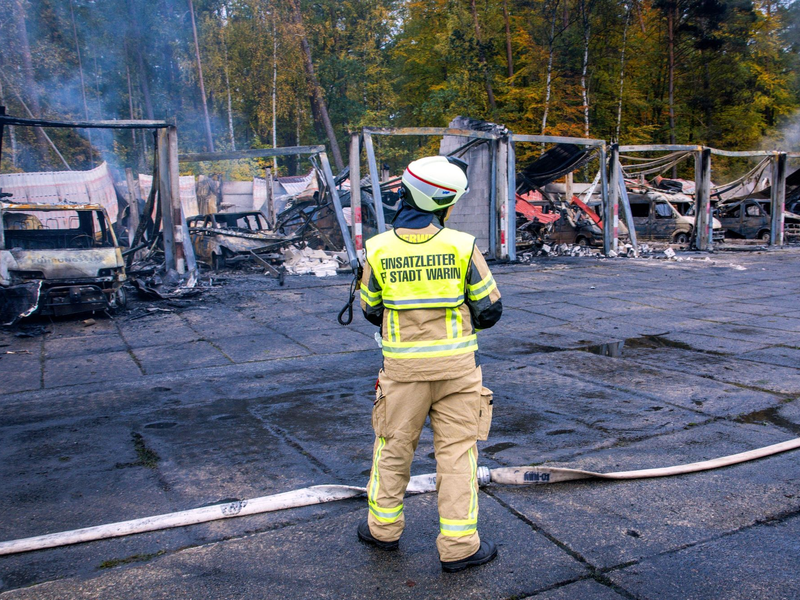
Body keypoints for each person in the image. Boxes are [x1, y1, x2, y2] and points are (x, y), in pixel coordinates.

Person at [357, 155, 503, 573]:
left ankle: (382, 530)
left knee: (393, 448)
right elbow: (490, 310)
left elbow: (370, 309)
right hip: (458, 372)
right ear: (444, 203)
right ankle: (459, 548)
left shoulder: (378, 249)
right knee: (457, 454)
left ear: (406, 193)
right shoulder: (462, 246)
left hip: (402, 376)